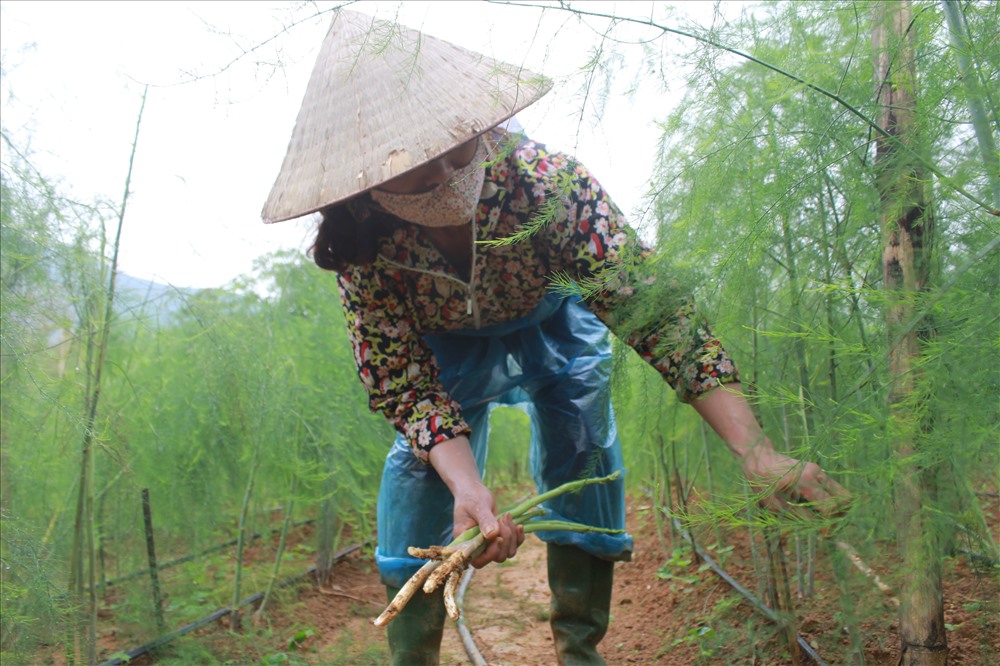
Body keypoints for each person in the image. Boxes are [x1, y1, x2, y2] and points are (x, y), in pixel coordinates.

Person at [262, 9, 848, 666]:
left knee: (583, 452)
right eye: (415, 173)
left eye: (457, 150)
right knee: (418, 485)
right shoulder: (364, 248)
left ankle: (579, 649)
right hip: (444, 351)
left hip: (551, 327)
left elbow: (654, 313)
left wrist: (756, 450)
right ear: (364, 185)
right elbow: (402, 380)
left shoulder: (548, 185)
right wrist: (469, 488)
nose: (446, 178)